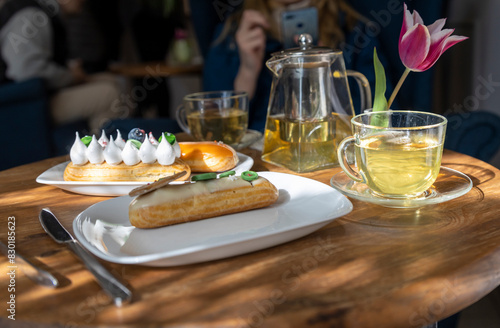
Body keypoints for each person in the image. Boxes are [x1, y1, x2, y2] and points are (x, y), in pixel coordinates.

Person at [202, 0, 394, 132]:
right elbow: (212, 123)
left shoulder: (354, 29)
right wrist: (248, 70)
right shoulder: (234, 33)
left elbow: (382, 109)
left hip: (333, 151)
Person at [0, 0, 125, 134]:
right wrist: (71, 77)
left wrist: (69, 71)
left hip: (34, 97)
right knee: (109, 94)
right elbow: (25, 72)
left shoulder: (44, 13)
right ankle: (98, 151)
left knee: (110, 80)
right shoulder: (32, 16)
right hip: (21, 107)